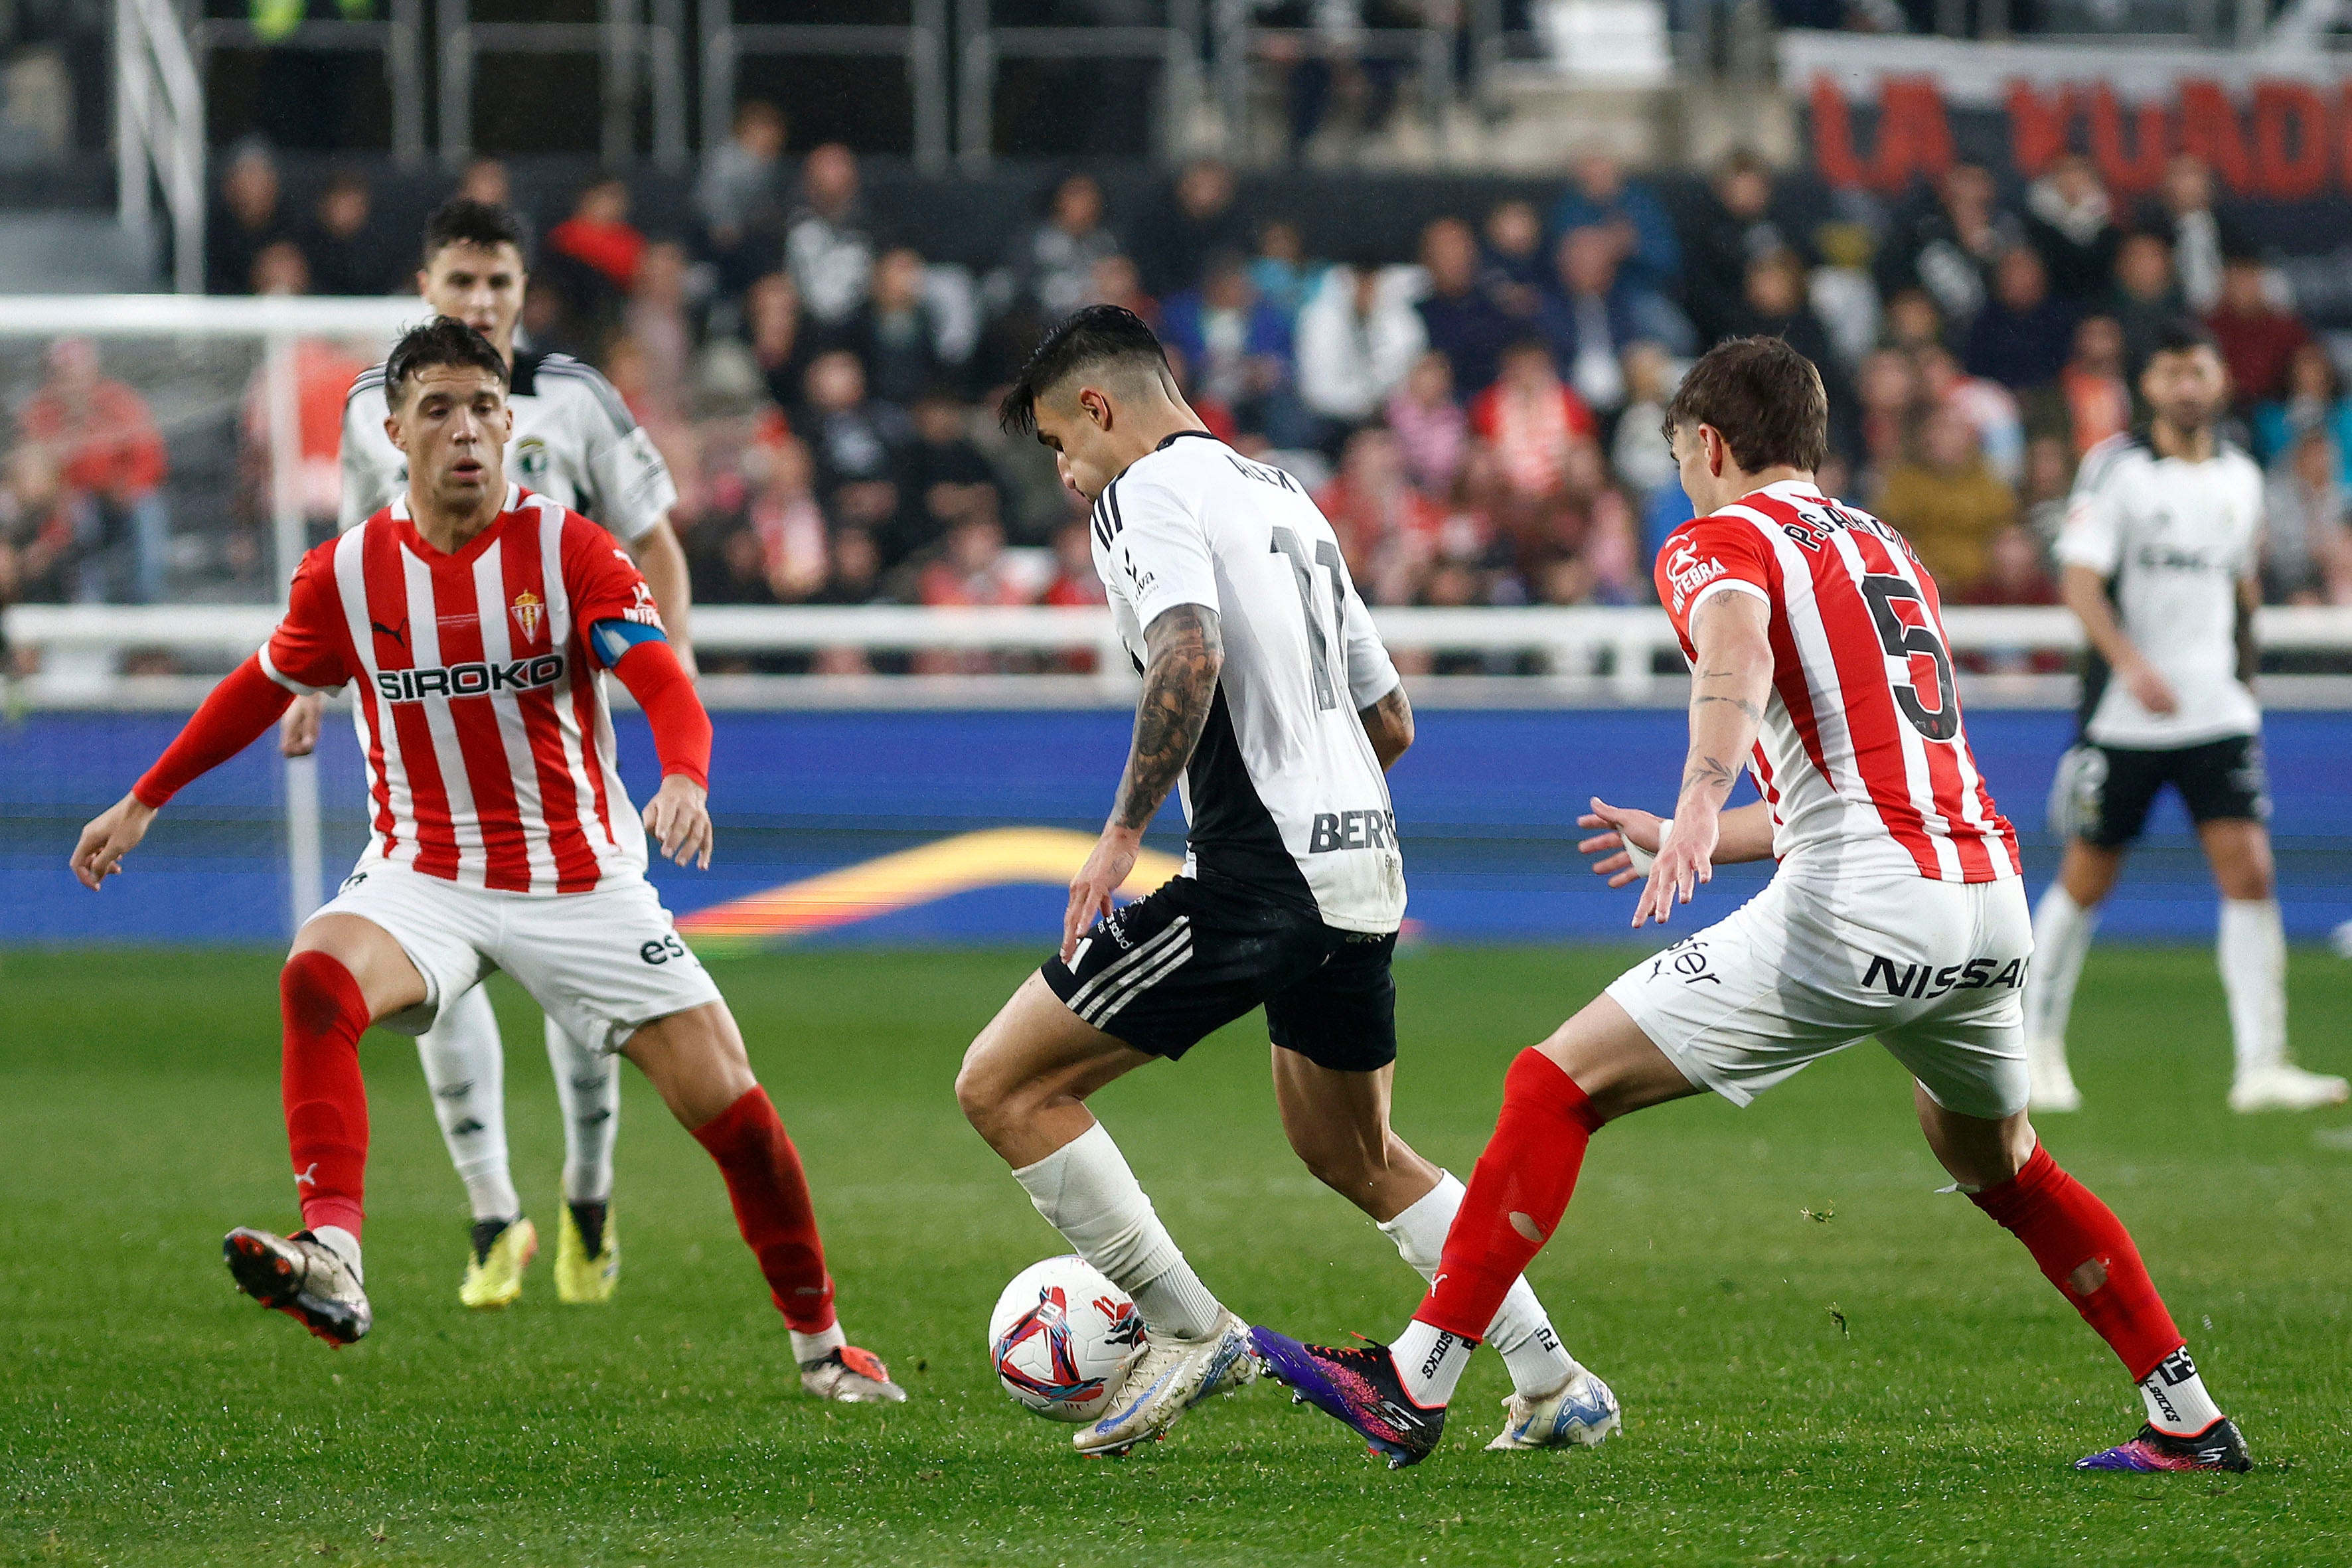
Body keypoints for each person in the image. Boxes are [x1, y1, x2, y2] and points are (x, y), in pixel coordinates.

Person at [1253, 334, 2255, 1478]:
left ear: (1712, 444)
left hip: (1860, 909)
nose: (1681, 478)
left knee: (1552, 1083)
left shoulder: (1714, 539)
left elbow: (1727, 647)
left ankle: (1415, 1376)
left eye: (1682, 454)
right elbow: (1860, 780)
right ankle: (2186, 1412)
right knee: (1997, 1159)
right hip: (1982, 904)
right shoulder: (1886, 546)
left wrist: (1693, 795)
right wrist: (1697, 834)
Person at [68, 318, 903, 1405]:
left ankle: (821, 1344)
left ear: (509, 422)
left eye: (484, 408)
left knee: (730, 1105)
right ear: (393, 431)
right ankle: (334, 1253)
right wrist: (143, 800)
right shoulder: (350, 570)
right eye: (439, 410)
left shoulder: (570, 550)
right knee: (314, 974)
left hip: (579, 881)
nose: (466, 431)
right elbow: (259, 687)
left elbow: (657, 675)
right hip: (426, 877)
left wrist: (685, 772)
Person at [959, 305, 1607, 1459]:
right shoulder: (1282, 493)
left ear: (1102, 408)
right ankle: (1552, 1376)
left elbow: (1188, 651)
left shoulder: (1142, 493)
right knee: (1350, 1151)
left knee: (1002, 1085)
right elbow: (1390, 718)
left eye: (1061, 442)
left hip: (1265, 874)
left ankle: (1183, 1325)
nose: (1065, 475)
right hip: (1363, 866)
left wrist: (1122, 835)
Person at [280, 198, 698, 1310]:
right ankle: (490, 1213)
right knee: (439, 974)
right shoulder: (382, 403)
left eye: (498, 286)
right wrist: (312, 679)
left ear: (522, 292)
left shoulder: (573, 399)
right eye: (460, 284)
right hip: (417, 721)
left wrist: (671, 675)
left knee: (579, 979)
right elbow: (352, 558)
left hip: (557, 725)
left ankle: (588, 1200)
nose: (480, 303)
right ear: (428, 287)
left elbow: (653, 534)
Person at [2027, 321, 2347, 1117]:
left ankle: (2262, 1064)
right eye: (2170, 371)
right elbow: (2079, 583)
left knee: (2250, 873)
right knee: (2087, 876)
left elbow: (2241, 592)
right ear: (2150, 387)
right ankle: (2033, 1049)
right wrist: (2132, 664)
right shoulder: (2118, 470)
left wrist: (2245, 682)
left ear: (2220, 382)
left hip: (2217, 711)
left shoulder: (2240, 476)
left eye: (2198, 370)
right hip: (2128, 715)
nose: (2186, 385)